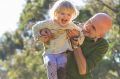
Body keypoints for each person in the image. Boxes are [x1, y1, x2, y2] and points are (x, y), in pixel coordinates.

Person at [32, 0, 86, 79]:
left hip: (62, 53)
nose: (65, 17)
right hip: (49, 53)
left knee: (62, 68)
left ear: (72, 16)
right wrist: (39, 36)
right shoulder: (49, 23)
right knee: (51, 63)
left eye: (69, 15)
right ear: (56, 13)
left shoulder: (71, 25)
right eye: (62, 13)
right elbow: (35, 28)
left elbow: (81, 34)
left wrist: (77, 40)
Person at [66, 13, 112, 79]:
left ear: (100, 35)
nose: (88, 27)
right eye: (89, 21)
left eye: (93, 28)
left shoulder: (102, 45)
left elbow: (83, 70)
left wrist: (75, 44)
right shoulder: (73, 26)